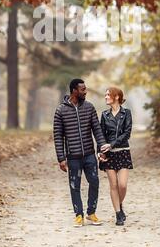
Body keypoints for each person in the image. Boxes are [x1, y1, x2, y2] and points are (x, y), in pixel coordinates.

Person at [53, 78, 107, 227]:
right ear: (74, 91)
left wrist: (101, 148)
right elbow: (58, 136)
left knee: (94, 182)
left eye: (85, 89)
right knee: (74, 186)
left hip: (89, 154)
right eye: (83, 89)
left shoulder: (89, 107)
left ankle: (91, 213)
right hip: (73, 157)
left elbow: (97, 129)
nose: (85, 91)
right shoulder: (61, 110)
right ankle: (78, 215)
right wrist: (61, 158)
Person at [99, 87, 133, 226]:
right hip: (109, 155)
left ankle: (119, 204)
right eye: (105, 94)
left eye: (108, 94)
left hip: (123, 151)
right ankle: (118, 214)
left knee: (122, 185)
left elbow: (127, 133)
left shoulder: (127, 113)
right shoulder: (104, 115)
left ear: (117, 97)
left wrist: (112, 144)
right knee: (113, 185)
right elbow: (100, 135)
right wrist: (100, 152)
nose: (106, 96)